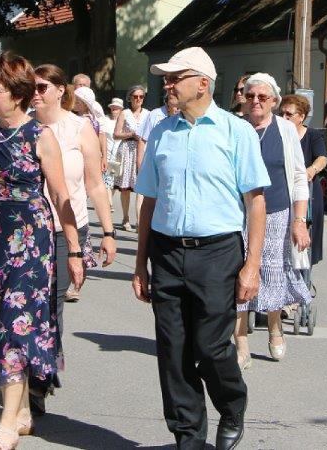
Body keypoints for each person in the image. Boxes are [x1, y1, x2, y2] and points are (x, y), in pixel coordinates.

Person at [132, 47, 269, 450]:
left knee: (210, 346)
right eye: (166, 79)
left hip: (217, 252)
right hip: (167, 252)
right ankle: (188, 435)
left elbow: (256, 202)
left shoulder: (235, 131)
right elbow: (149, 201)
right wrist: (140, 264)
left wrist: (252, 266)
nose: (168, 85)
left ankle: (231, 406)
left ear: (203, 84)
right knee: (172, 349)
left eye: (176, 78)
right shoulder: (162, 132)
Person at [0, 52, 85, 450]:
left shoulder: (40, 136)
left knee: (16, 324)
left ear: (17, 95)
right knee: (4, 320)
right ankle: (25, 410)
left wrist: (75, 251)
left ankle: (7, 424)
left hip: (31, 240)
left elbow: (61, 196)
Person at [234, 74, 312, 368]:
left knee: (273, 271)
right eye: (250, 95)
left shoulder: (285, 130)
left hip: (277, 211)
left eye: (262, 97)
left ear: (274, 101)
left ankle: (275, 326)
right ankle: (240, 337)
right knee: (240, 270)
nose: (255, 101)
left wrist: (299, 221)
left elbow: (299, 176)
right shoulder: (235, 127)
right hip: (238, 212)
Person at [33, 65, 116, 310]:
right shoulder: (24, 127)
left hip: (66, 228)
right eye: (31, 88)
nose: (35, 93)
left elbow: (96, 185)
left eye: (41, 88)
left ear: (60, 90)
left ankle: (53, 338)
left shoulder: (80, 127)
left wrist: (109, 234)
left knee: (53, 301)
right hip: (29, 227)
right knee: (27, 300)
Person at [280, 94, 327, 266]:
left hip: (307, 194)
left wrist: (311, 170)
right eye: (281, 113)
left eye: (289, 114)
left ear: (301, 117)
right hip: (283, 193)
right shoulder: (278, 134)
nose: (284, 117)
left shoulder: (313, 135)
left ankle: (305, 276)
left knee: (304, 246)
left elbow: (322, 158)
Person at [113, 85, 149, 232]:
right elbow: (116, 134)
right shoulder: (125, 113)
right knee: (126, 188)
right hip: (127, 150)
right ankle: (126, 217)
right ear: (130, 98)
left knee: (141, 187)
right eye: (135, 96)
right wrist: (131, 134)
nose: (138, 99)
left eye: (141, 96)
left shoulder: (148, 114)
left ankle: (140, 220)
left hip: (143, 150)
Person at [136, 91, 180, 169]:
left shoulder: (183, 116)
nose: (178, 109)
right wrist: (140, 167)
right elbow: (142, 140)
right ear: (167, 102)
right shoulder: (154, 114)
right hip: (153, 162)